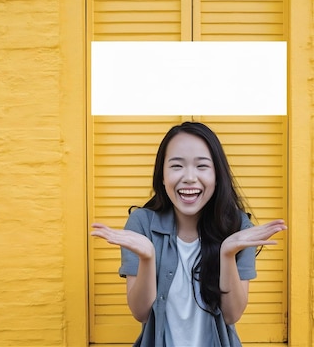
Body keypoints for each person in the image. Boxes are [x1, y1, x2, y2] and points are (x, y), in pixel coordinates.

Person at [91, 121, 286, 347]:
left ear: (217, 175)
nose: (190, 177)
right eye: (176, 166)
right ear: (162, 176)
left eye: (202, 166)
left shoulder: (237, 226)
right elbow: (141, 313)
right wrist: (147, 258)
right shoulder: (142, 223)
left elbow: (232, 315)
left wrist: (227, 254)